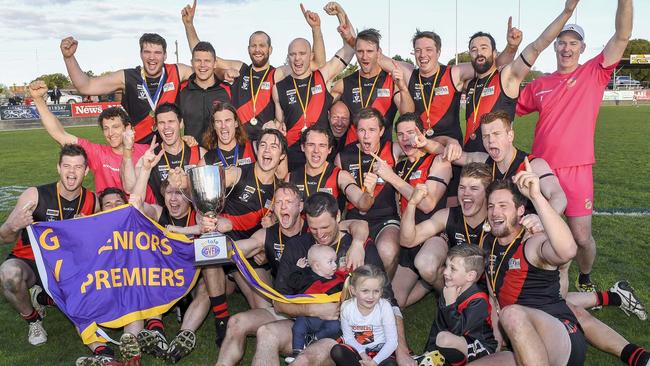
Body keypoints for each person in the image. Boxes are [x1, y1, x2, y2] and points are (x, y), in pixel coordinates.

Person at [516, 0, 633, 292]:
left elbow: (622, 36)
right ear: (555, 47)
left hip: (578, 170)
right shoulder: (539, 84)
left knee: (581, 237)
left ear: (582, 48)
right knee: (538, 229)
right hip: (543, 171)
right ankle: (537, 282)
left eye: (573, 43)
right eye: (561, 43)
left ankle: (584, 276)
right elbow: (509, 108)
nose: (566, 48)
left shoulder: (594, 72)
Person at [246, 193, 413, 366]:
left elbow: (388, 300)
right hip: (303, 323)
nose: (320, 234)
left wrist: (402, 351)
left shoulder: (359, 248)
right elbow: (279, 303)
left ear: (338, 217)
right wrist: (313, 310)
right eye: (314, 228)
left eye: (325, 227)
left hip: (342, 331)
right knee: (265, 333)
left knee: (302, 360)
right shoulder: (297, 246)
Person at [214, 183, 369, 366]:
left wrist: (358, 243)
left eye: (288, 201)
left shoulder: (317, 227)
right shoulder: (271, 235)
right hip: (291, 306)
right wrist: (207, 245)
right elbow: (236, 250)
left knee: (271, 332)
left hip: (325, 316)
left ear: (301, 207)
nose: (283, 206)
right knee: (236, 322)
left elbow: (359, 224)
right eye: (278, 202)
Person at [478, 163, 587, 365]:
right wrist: (495, 341)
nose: (495, 212)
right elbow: (494, 299)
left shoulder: (532, 240)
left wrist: (536, 197)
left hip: (560, 336)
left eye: (503, 206)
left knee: (511, 314)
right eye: (491, 206)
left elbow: (567, 251)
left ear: (520, 210)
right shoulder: (489, 244)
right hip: (524, 347)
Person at [182, 0, 326, 141]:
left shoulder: (278, 73)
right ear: (248, 49)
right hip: (240, 142)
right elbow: (205, 56)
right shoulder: (240, 69)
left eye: (262, 45)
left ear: (270, 49)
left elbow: (317, 64)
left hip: (264, 144)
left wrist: (316, 29)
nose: (257, 49)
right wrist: (189, 25)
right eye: (253, 45)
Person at [0, 144, 97, 346]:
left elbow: (95, 245)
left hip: (65, 266)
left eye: (78, 167)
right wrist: (13, 225)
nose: (72, 172)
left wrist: (84, 231)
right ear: (58, 168)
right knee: (7, 275)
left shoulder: (92, 201)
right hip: (30, 261)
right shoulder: (34, 196)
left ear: (86, 171)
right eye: (67, 166)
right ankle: (33, 319)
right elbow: (4, 238)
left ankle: (44, 297)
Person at [336, 107, 445, 278]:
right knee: (345, 260)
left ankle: (383, 293)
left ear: (381, 131)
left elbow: (434, 149)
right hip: (355, 217)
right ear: (355, 131)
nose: (366, 136)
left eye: (372, 130)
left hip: (385, 219)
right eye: (361, 130)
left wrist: (446, 145)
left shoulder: (393, 149)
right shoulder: (343, 157)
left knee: (387, 251)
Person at [463, 0, 579, 152]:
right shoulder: (469, 83)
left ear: (494, 53)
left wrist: (567, 12)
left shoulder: (506, 76)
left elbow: (537, 46)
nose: (479, 53)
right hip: (468, 161)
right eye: (474, 49)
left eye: (484, 48)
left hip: (494, 162)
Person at [370, 113, 451, 306]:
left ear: (422, 134)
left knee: (427, 266)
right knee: (397, 300)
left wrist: (391, 177)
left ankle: (450, 298)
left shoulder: (438, 161)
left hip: (433, 235)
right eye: (401, 134)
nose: (406, 139)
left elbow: (427, 203)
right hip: (409, 236)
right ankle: (428, 283)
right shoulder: (401, 166)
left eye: (411, 133)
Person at [29, 80, 155, 202]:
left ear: (127, 127)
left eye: (115, 127)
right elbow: (60, 134)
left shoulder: (146, 150)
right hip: (112, 217)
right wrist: (39, 100)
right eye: (106, 128)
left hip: (145, 215)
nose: (110, 134)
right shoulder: (98, 154)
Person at [61, 33, 194, 143]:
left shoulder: (177, 71)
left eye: (157, 53)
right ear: (141, 54)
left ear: (165, 55)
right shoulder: (127, 77)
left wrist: (189, 26)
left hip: (169, 150)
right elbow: (86, 86)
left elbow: (206, 70)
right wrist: (69, 58)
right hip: (138, 151)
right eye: (147, 52)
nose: (152, 57)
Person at [271, 3, 355, 166]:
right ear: (288, 57)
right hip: (293, 159)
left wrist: (341, 13)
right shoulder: (278, 88)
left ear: (311, 56)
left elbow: (350, 49)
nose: (297, 59)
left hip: (323, 158)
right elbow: (279, 124)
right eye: (292, 54)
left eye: (302, 54)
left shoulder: (323, 76)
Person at [449, 110, 566, 214]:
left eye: (496, 134)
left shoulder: (533, 164)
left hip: (526, 231)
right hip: (496, 229)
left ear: (510, 135)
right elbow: (451, 155)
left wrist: (542, 222)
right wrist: (449, 142)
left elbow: (559, 197)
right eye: (485, 136)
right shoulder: (484, 161)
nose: (490, 140)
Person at [419, 244, 497, 365]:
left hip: (481, 346)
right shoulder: (448, 290)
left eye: (452, 269)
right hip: (457, 342)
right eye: (446, 266)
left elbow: (458, 330)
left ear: (470, 276)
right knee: (441, 338)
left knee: (444, 339)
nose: (445, 272)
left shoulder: (479, 300)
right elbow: (439, 325)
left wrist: (450, 303)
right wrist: (428, 353)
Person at [121, 102, 205, 206]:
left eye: (171, 121)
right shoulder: (150, 158)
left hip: (195, 219)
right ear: (156, 126)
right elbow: (129, 189)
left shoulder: (200, 153)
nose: (166, 127)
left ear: (181, 123)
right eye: (161, 123)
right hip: (161, 219)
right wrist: (128, 150)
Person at [289, 126, 374, 214]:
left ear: (329, 149)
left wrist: (369, 193)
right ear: (303, 147)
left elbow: (362, 205)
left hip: (328, 227)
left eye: (322, 145)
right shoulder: (291, 177)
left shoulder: (340, 176)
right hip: (300, 227)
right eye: (311, 145)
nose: (316, 150)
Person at [329, 264, 398, 366]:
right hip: (358, 351)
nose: (371, 296)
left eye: (376, 291)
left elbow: (392, 342)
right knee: (337, 351)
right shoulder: (347, 308)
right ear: (353, 290)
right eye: (365, 291)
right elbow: (348, 338)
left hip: (381, 353)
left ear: (381, 291)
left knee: (391, 364)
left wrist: (374, 362)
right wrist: (363, 354)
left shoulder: (384, 307)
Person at [287, 245, 346, 362]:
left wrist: (347, 272)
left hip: (328, 319)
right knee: (297, 328)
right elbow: (292, 282)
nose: (335, 265)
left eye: (335, 261)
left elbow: (348, 286)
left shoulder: (338, 280)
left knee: (336, 327)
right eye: (330, 262)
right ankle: (297, 351)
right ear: (317, 266)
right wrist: (298, 269)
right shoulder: (306, 278)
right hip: (308, 318)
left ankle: (314, 338)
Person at [178, 41, 231, 142]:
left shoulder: (228, 90)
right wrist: (181, 138)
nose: (202, 65)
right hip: (192, 153)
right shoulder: (181, 91)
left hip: (220, 155)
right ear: (192, 63)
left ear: (215, 63)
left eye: (207, 61)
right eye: (198, 60)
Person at [200, 101, 256, 169]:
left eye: (227, 120)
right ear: (214, 126)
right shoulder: (206, 162)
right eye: (218, 122)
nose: (223, 126)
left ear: (236, 123)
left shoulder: (253, 149)